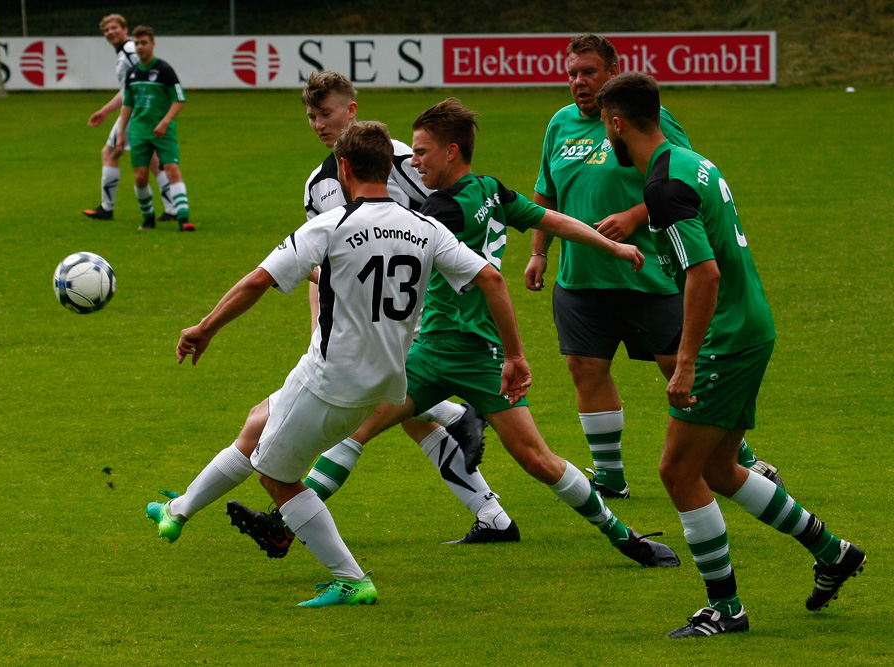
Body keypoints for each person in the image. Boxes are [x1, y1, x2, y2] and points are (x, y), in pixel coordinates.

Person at [231, 98, 681, 570]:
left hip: (457, 350)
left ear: (450, 152)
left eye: (422, 152)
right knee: (365, 431)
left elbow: (477, 278)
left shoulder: (438, 213)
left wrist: (515, 355)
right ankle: (284, 526)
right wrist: (609, 243)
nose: (413, 161)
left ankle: (622, 534)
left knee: (533, 457)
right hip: (443, 352)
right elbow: (553, 221)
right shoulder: (491, 190)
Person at [145, 121, 531, 606]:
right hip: (389, 378)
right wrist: (514, 355)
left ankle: (350, 579)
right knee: (258, 421)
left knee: (276, 476)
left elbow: (256, 282)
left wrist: (205, 328)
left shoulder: (331, 225)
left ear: (343, 168)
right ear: (391, 167)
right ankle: (177, 511)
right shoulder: (426, 227)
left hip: (330, 378)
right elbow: (492, 280)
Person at [596, 72, 865, 637]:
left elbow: (705, 273)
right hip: (750, 325)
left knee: (676, 469)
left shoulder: (663, 187)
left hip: (726, 337)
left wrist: (687, 360)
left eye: (605, 125)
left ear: (617, 123)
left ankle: (726, 607)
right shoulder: (692, 161)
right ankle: (832, 551)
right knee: (718, 467)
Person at [258, 70, 518, 547]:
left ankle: (285, 521)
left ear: (352, 110)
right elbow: (322, 263)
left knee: (377, 413)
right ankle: (490, 512)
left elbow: (445, 215)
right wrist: (320, 327)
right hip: (364, 319)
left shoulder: (402, 160)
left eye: (327, 113)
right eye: (312, 116)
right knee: (406, 417)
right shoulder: (318, 186)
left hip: (418, 308)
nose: (319, 123)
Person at [525, 34, 780, 500]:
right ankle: (610, 476)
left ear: (613, 71)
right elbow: (546, 192)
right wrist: (540, 251)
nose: (579, 83)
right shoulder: (559, 125)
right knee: (585, 367)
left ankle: (739, 458)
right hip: (581, 276)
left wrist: (633, 215)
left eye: (589, 72)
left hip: (651, 274)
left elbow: (679, 181)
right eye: (572, 74)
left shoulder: (650, 121)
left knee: (679, 367)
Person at [82, 14, 176, 222]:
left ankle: (107, 208)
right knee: (153, 160)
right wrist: (105, 111)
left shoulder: (130, 51)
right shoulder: (125, 52)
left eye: (114, 28)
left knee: (109, 153)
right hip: (142, 111)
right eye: (106, 30)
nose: (110, 32)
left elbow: (141, 83)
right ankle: (172, 209)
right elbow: (129, 89)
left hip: (137, 113)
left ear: (125, 29)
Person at [115, 26, 193, 231]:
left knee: (172, 170)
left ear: (153, 43)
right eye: (137, 43)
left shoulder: (164, 70)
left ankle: (183, 219)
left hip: (163, 130)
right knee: (140, 177)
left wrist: (165, 122)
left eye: (144, 43)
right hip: (139, 131)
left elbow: (179, 99)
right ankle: (148, 218)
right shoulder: (132, 73)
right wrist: (120, 133)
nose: (140, 47)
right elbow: (127, 104)